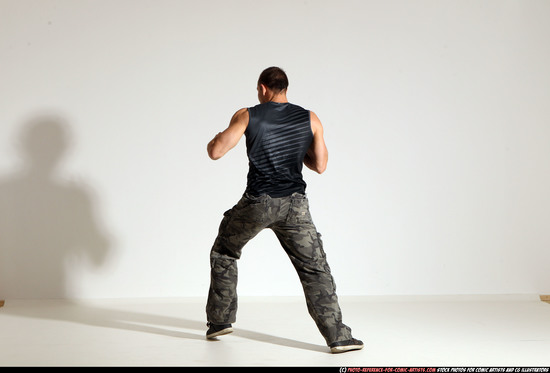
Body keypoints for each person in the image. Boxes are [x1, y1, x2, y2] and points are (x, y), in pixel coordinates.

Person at [205, 67, 363, 353]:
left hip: (258, 203)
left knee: (225, 250)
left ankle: (220, 322)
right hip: (295, 207)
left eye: (258, 90)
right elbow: (320, 165)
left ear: (263, 88)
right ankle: (338, 336)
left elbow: (216, 151)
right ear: (285, 88)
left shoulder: (247, 115)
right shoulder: (310, 118)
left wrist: (217, 135)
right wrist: (297, 148)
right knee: (315, 269)